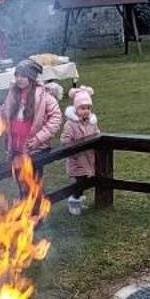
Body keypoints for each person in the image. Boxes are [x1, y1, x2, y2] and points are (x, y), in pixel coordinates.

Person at [2, 58, 62, 165]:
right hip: (16, 148)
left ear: (31, 77)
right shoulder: (13, 93)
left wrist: (39, 138)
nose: (19, 79)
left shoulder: (44, 96)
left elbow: (56, 118)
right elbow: (6, 112)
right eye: (17, 75)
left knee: (34, 179)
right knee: (19, 178)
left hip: (35, 149)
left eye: (23, 76)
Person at [60, 84, 99, 215]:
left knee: (85, 181)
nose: (85, 111)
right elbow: (65, 140)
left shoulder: (91, 122)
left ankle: (79, 200)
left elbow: (97, 133)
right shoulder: (70, 124)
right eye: (82, 108)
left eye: (88, 108)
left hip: (88, 157)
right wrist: (74, 148)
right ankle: (73, 201)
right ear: (76, 109)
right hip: (77, 159)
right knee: (80, 182)